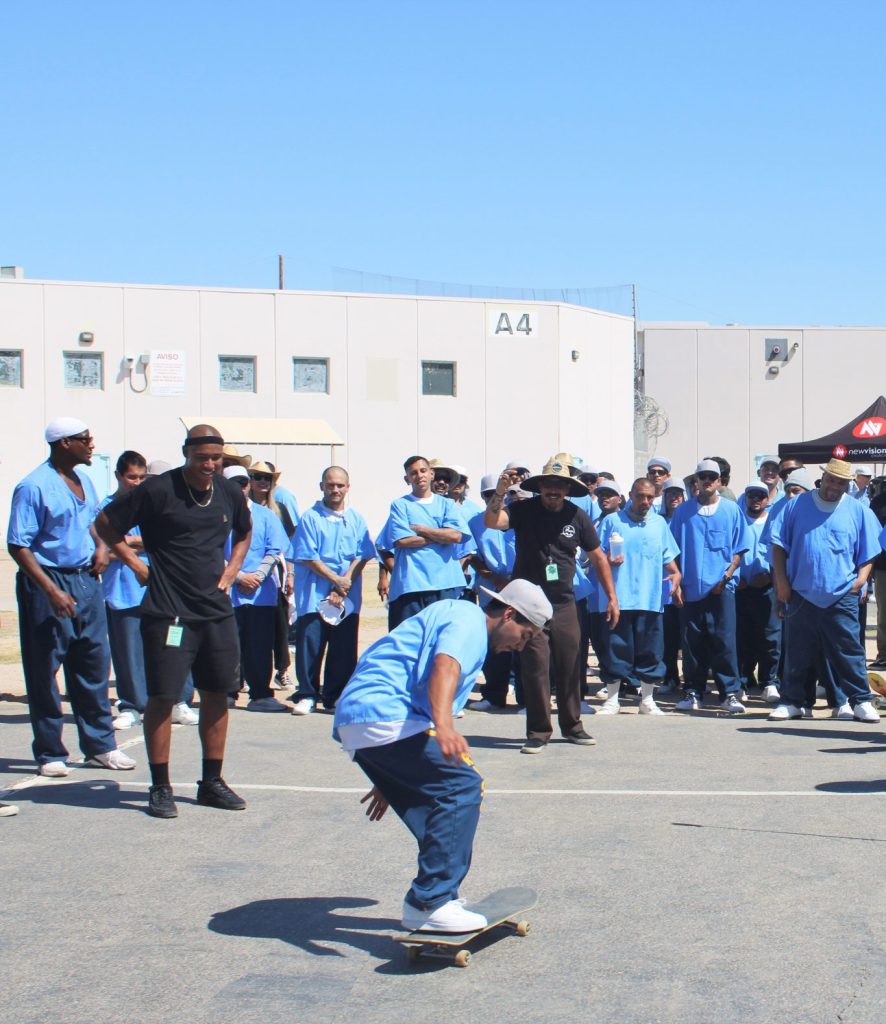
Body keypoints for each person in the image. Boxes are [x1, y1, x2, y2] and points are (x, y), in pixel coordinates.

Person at [333, 579, 552, 932]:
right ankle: (429, 902)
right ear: (509, 614)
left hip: (367, 719)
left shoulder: (460, 619)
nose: (518, 647)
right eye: (524, 636)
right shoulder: (468, 619)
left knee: (437, 801)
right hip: (386, 713)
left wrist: (393, 775)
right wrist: (445, 727)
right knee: (464, 787)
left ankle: (437, 894)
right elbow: (444, 666)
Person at [95, 424, 252, 818]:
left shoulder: (229, 492)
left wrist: (232, 571)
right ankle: (160, 786)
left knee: (218, 694)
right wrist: (133, 564)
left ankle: (211, 781)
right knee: (163, 698)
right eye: (202, 458)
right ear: (186, 453)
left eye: (216, 458)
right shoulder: (157, 489)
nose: (210, 465)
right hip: (169, 611)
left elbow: (244, 533)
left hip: (215, 610)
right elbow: (105, 525)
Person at [7, 417, 136, 777]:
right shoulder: (33, 487)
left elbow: (94, 522)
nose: (91, 444)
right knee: (45, 668)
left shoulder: (85, 481)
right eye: (84, 439)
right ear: (63, 443)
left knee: (93, 663)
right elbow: (18, 544)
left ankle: (100, 746)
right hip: (48, 582)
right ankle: (50, 752)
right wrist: (50, 591)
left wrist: (100, 547)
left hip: (87, 580)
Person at [485, 457, 619, 753]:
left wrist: (612, 597)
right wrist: (499, 492)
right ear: (540, 487)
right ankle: (538, 731)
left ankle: (573, 726)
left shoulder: (577, 516)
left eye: (560, 485)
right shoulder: (521, 510)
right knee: (535, 667)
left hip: (563, 603)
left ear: (568, 489)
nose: (554, 490)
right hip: (528, 608)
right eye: (548, 484)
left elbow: (597, 557)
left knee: (571, 664)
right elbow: (492, 522)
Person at [768, 458, 881, 723]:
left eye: (840, 482)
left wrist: (860, 580)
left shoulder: (857, 510)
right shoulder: (796, 505)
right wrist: (782, 583)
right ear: (823, 478)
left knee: (849, 650)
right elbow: (777, 546)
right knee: (797, 650)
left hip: (841, 594)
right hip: (801, 592)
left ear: (847, 484)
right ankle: (792, 701)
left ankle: (861, 701)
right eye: (830, 479)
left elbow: (870, 550)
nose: (834, 485)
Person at [289, 466, 376, 715]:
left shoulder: (356, 519)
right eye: (330, 485)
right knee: (311, 644)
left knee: (344, 647)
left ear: (348, 487)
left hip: (348, 594)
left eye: (340, 485)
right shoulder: (310, 517)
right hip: (315, 592)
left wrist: (345, 582)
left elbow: (362, 554)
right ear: (322, 487)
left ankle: (336, 695)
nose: (335, 489)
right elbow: (307, 556)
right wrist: (335, 580)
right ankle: (307, 694)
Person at [668, 459, 750, 714]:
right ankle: (693, 690)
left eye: (711, 477)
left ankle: (729, 693)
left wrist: (726, 577)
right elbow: (673, 551)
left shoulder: (731, 510)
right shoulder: (683, 512)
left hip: (721, 587)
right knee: (692, 641)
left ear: (719, 482)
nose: (706, 481)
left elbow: (739, 549)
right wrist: (677, 583)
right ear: (695, 481)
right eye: (701, 476)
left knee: (724, 640)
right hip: (691, 586)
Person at [595, 478, 681, 715]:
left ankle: (647, 700)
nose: (644, 501)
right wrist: (608, 561)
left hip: (650, 598)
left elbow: (667, 556)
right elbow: (595, 557)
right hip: (617, 598)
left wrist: (675, 574)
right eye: (640, 496)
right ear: (630, 495)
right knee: (615, 649)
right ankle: (612, 699)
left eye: (649, 497)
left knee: (651, 650)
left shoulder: (659, 523)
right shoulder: (613, 522)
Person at [223, 465, 290, 712]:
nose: (239, 488)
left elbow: (275, 549)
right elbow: (212, 552)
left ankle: (260, 694)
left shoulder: (266, 515)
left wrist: (257, 577)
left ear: (248, 484)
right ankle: (229, 692)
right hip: (229, 592)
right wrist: (239, 577)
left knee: (260, 645)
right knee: (230, 644)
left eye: (242, 482)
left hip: (262, 594)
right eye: (233, 484)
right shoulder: (218, 516)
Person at [382, 455, 473, 629]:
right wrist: (441, 536)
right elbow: (402, 541)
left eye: (423, 471)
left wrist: (422, 529)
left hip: (445, 583)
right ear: (407, 479)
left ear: (431, 474)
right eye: (413, 473)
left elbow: (456, 537)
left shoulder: (447, 504)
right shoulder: (400, 505)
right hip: (411, 585)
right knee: (409, 640)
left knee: (442, 637)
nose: (419, 476)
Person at [467, 473, 518, 711]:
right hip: (491, 588)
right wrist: (494, 577)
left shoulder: (517, 518)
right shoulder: (476, 522)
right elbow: (472, 556)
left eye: (496, 494)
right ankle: (494, 694)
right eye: (487, 495)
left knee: (521, 640)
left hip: (519, 587)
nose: (492, 498)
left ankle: (525, 696)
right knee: (495, 642)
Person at [248, 460, 297, 690]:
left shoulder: (279, 509)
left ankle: (282, 670)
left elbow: (290, 544)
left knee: (279, 623)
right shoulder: (243, 508)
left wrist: (290, 575)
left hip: (275, 573)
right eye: (258, 477)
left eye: (267, 478)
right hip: (247, 571)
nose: (263, 482)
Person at [735, 483, 780, 701]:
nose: (756, 500)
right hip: (740, 588)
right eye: (751, 495)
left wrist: (771, 577)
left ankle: (769, 682)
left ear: (766, 499)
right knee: (742, 637)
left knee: (770, 637)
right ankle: (742, 681)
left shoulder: (773, 521)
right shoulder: (738, 520)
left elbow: (780, 553)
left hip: (767, 588)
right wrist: (736, 576)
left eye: (760, 496)